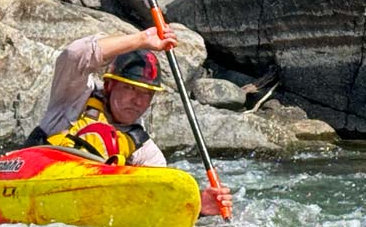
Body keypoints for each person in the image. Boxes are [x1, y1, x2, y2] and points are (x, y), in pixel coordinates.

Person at [25, 27, 231, 217]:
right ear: (109, 85)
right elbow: (75, 54)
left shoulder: (144, 151)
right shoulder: (72, 99)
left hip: (80, 206)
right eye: (130, 89)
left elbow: (158, 203)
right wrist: (141, 40)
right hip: (31, 183)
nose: (138, 101)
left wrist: (199, 209)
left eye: (147, 94)